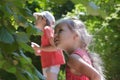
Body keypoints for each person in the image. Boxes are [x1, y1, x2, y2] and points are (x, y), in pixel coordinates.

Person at [31, 11, 65, 80]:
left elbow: (55, 48)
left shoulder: (47, 29)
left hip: (52, 64)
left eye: (38, 18)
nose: (36, 21)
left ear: (44, 20)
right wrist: (38, 50)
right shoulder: (44, 32)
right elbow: (47, 51)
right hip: (48, 64)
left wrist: (39, 48)